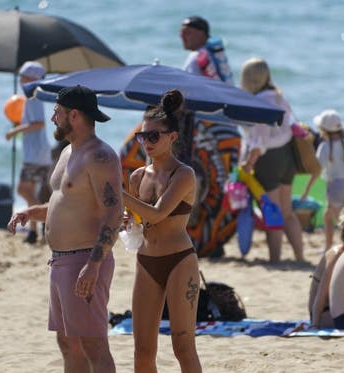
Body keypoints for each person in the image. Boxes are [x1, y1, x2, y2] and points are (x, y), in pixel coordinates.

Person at [7, 85, 122, 372]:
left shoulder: (100, 157)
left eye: (56, 112)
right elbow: (69, 203)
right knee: (67, 343)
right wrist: (33, 212)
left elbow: (113, 212)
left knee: (93, 344)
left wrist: (94, 265)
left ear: (74, 115)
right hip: (60, 261)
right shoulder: (69, 152)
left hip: (85, 260)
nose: (52, 119)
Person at [123, 89, 202, 372]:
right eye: (143, 136)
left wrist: (120, 196)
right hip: (146, 262)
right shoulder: (137, 177)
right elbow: (137, 220)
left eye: (154, 136)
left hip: (179, 260)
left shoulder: (183, 174)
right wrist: (126, 220)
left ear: (172, 137)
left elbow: (158, 213)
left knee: (183, 347)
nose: (147, 142)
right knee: (142, 351)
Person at [239, 57, 305, 263]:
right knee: (287, 212)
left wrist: (248, 164)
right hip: (287, 156)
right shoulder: (278, 97)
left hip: (269, 160)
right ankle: (299, 256)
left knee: (273, 213)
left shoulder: (259, 102)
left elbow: (259, 143)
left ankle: (275, 258)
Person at [302, 109, 344, 252]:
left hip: (334, 187)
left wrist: (307, 189)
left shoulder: (324, 147)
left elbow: (317, 170)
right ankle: (329, 247)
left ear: (323, 130)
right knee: (328, 216)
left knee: (343, 220)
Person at [5, 61, 52, 244]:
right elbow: (35, 124)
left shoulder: (32, 97)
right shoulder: (33, 97)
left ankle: (36, 226)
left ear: (32, 78)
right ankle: (35, 229)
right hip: (40, 153)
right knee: (32, 191)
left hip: (35, 155)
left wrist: (14, 131)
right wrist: (20, 126)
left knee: (23, 190)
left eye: (23, 76)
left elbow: (39, 123)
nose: (20, 79)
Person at [180, 15, 233, 84]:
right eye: (181, 32)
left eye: (187, 33)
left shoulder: (195, 57)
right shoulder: (215, 52)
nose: (182, 36)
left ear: (201, 34)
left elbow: (189, 86)